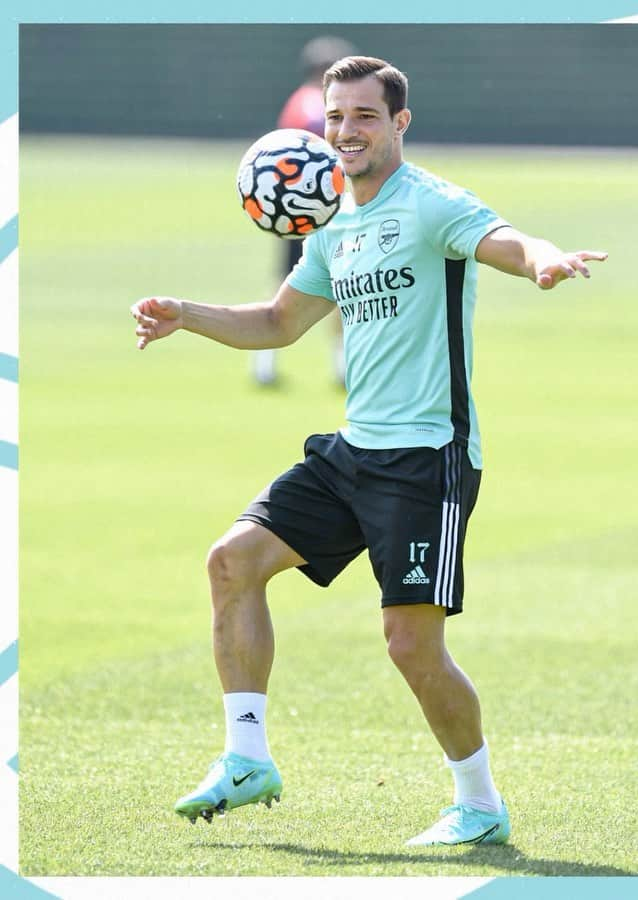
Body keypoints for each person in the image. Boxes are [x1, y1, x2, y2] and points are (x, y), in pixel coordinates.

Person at [131, 56, 607, 846]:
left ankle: (480, 804)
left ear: (399, 125)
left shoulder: (430, 204)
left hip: (427, 459)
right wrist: (187, 313)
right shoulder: (332, 224)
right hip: (354, 452)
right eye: (336, 118)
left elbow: (505, 238)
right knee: (232, 561)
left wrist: (542, 259)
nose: (347, 132)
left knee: (410, 645)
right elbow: (279, 324)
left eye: (364, 117)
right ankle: (246, 757)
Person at [253, 35, 355, 387]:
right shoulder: (316, 104)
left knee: (285, 280)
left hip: (291, 206)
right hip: (317, 207)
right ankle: (341, 367)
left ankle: (264, 364)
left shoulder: (296, 101)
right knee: (343, 284)